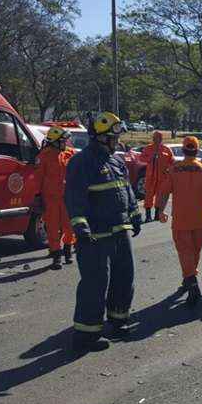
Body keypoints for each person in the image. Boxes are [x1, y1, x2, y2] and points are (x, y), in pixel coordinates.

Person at [65, 112, 142, 352]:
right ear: (101, 138)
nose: (118, 141)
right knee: (95, 283)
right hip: (95, 234)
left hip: (120, 230)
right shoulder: (82, 162)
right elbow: (74, 197)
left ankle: (118, 321)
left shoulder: (116, 160)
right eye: (114, 137)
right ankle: (86, 335)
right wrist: (80, 225)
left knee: (124, 276)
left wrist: (134, 212)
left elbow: (126, 190)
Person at [157, 136, 202, 307]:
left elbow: (164, 193)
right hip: (200, 220)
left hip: (181, 221)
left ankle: (192, 283)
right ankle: (189, 278)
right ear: (197, 150)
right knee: (195, 252)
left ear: (184, 150)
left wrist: (160, 210)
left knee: (185, 252)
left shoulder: (174, 170)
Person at [35, 125, 77, 270]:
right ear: (55, 141)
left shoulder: (70, 154)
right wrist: (37, 197)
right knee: (52, 228)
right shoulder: (43, 156)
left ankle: (68, 249)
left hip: (67, 197)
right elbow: (38, 178)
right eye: (63, 141)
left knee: (69, 225)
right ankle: (56, 255)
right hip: (50, 199)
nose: (66, 144)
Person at [140, 131, 174, 222]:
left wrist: (168, 171)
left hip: (162, 178)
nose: (157, 140)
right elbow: (141, 158)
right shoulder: (148, 148)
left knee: (160, 197)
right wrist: (150, 158)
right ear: (153, 139)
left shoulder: (166, 149)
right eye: (155, 138)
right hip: (150, 177)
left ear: (161, 139)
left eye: (159, 138)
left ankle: (157, 215)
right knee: (148, 197)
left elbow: (172, 162)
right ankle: (148, 216)